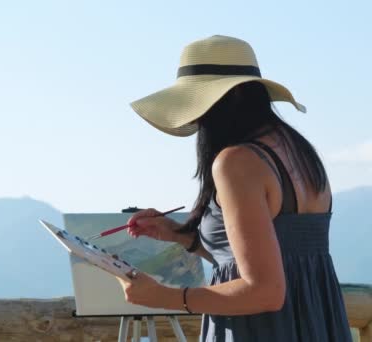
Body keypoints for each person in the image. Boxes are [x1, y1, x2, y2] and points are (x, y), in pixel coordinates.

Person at [115, 35, 352, 341]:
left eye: (200, 102)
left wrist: (165, 296)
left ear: (233, 97)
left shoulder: (237, 162)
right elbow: (264, 260)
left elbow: (265, 291)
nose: (199, 118)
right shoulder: (299, 152)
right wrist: (177, 234)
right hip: (317, 326)